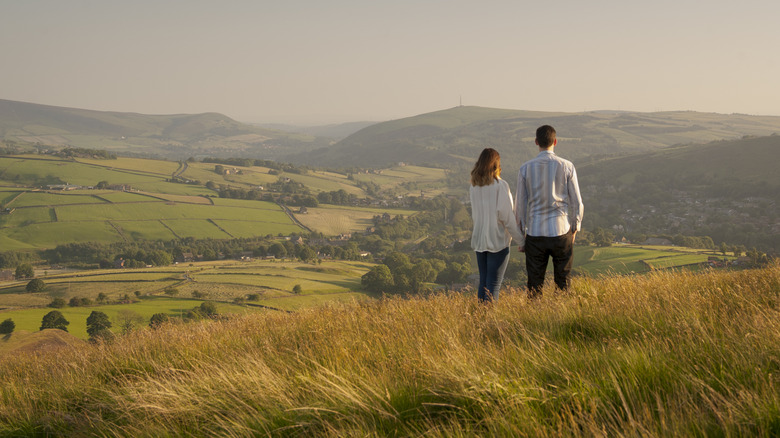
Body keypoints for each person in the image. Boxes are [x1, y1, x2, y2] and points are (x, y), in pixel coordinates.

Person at [515, 125, 583, 297]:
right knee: (563, 282)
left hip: (536, 233)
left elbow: (520, 206)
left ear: (536, 142)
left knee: (535, 285)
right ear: (555, 142)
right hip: (561, 230)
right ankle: (560, 316)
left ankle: (535, 319)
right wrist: (574, 228)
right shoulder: (567, 166)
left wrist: (521, 235)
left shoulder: (525, 168)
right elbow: (577, 202)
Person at [469, 148, 525, 302]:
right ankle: (489, 321)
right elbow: (507, 218)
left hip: (480, 240)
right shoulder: (500, 186)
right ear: (496, 165)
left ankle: (481, 318)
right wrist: (522, 241)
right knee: (494, 284)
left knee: (484, 282)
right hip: (497, 241)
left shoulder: (474, 186)